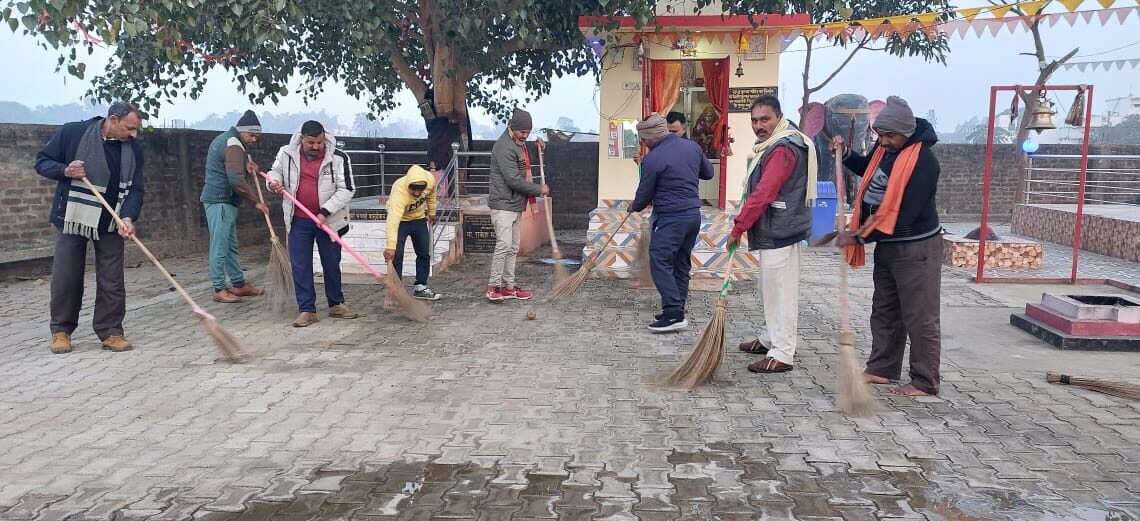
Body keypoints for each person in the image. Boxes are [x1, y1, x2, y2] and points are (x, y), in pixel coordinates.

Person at [832, 96, 943, 397]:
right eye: (880, 135)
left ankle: (924, 380)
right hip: (888, 246)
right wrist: (844, 154)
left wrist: (859, 237)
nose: (883, 141)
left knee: (919, 315)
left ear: (906, 132)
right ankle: (882, 368)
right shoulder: (887, 151)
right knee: (884, 310)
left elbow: (902, 215)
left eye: (889, 136)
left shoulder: (923, 162)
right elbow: (866, 167)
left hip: (916, 249)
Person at [35, 101, 146, 354]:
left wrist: (128, 217)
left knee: (112, 279)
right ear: (113, 120)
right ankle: (61, 330)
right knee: (67, 276)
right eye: (129, 128)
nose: (133, 134)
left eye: (135, 130)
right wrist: (65, 170)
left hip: (111, 220)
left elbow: (136, 189)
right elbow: (42, 162)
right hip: (73, 216)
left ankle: (111, 332)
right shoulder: (73, 132)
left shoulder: (133, 149)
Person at [730, 96, 817, 373]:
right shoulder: (773, 145)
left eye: (765, 119)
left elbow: (764, 192)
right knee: (768, 289)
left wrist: (739, 226)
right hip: (776, 228)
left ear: (779, 117)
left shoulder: (783, 149)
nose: (759, 125)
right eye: (754, 121)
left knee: (781, 293)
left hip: (782, 229)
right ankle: (769, 338)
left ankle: (782, 353)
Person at [266, 120, 359, 327]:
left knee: (331, 263)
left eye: (319, 142)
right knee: (300, 265)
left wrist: (325, 211)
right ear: (301, 139)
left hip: (329, 221)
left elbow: (347, 189)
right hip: (298, 220)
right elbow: (274, 171)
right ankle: (307, 309)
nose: (316, 147)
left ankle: (336, 304)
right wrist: (273, 182)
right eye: (311, 143)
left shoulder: (339, 158)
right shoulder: (286, 153)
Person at [629, 113, 714, 332]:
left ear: (651, 136)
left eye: (644, 139)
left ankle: (674, 313)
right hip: (693, 216)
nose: (644, 143)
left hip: (671, 217)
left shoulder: (653, 159)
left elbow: (644, 193)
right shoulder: (692, 147)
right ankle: (676, 309)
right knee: (681, 263)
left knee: (659, 260)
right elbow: (709, 173)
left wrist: (634, 206)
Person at [201, 110, 267, 303]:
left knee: (230, 246)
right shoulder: (233, 144)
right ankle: (219, 288)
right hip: (220, 200)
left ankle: (239, 285)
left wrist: (248, 164)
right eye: (252, 135)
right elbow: (235, 179)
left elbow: (234, 167)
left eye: (257, 136)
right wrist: (256, 201)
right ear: (242, 131)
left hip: (224, 201)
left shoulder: (233, 141)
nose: (254, 139)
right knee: (220, 246)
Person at [486, 108, 549, 302]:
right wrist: (539, 190)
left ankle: (509, 287)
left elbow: (523, 161)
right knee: (504, 245)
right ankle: (493, 286)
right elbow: (513, 179)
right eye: (523, 132)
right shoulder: (503, 147)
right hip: (503, 204)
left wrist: (539, 147)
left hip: (515, 205)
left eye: (529, 133)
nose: (526, 136)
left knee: (513, 247)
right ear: (513, 129)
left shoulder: (518, 144)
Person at [383, 165, 442, 300]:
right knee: (396, 255)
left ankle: (421, 287)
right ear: (408, 184)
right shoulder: (399, 192)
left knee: (424, 253)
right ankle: (396, 291)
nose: (417, 192)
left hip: (419, 219)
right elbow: (392, 220)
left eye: (420, 188)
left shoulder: (430, 181)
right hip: (401, 221)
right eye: (413, 188)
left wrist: (432, 212)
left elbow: (431, 194)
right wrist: (391, 246)